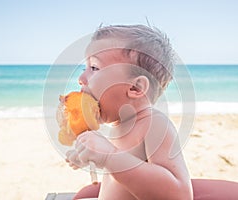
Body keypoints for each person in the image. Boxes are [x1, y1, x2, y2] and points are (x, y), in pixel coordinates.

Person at [66, 24, 193, 200]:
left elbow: (180, 194)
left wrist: (109, 156)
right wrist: (91, 154)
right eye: (84, 69)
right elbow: (127, 173)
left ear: (135, 87)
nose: (81, 79)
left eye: (94, 68)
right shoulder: (120, 125)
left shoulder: (153, 124)